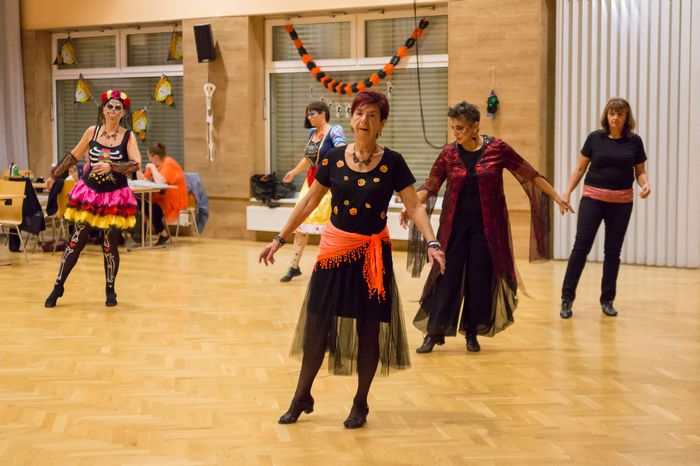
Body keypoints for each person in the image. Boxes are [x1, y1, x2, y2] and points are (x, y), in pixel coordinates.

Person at [259, 91, 445, 429]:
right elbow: (308, 202)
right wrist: (279, 238)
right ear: (351, 117)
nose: (364, 120)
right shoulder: (332, 158)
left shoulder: (393, 162)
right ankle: (301, 396)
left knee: (368, 332)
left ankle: (360, 403)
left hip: (372, 259)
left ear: (382, 123)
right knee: (316, 327)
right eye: (359, 113)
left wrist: (431, 241)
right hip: (333, 254)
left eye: (372, 115)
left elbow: (414, 206)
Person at [405, 101, 571, 354]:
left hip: (487, 229)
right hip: (454, 228)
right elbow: (431, 185)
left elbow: (530, 174)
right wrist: (411, 206)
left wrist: (557, 196)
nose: (455, 133)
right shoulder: (449, 153)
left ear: (475, 127)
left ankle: (472, 332)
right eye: (453, 127)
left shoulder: (498, 149)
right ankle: (434, 332)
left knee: (479, 279)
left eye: (460, 128)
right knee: (446, 277)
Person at [44, 89, 141, 308]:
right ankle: (58, 286)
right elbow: (73, 156)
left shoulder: (128, 136)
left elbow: (136, 164)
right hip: (90, 194)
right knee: (76, 240)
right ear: (103, 110)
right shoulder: (92, 131)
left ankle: (110, 289)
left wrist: (111, 166)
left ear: (123, 113)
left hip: (115, 197)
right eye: (110, 107)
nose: (113, 111)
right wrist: (55, 176)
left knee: (109, 244)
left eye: (118, 108)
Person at [560, 97, 650, 319]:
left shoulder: (635, 142)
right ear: (606, 115)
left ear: (626, 117)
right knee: (581, 247)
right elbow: (580, 169)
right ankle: (567, 298)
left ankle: (607, 299)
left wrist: (645, 184)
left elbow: (640, 172)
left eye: (620, 114)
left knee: (612, 251)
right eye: (612, 113)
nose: (615, 118)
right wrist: (566, 193)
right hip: (593, 200)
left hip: (621, 203)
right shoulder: (595, 138)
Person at [279, 101, 346, 282]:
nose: (309, 118)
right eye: (307, 115)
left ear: (323, 113)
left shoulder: (335, 131)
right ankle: (293, 265)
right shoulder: (312, 133)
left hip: (328, 185)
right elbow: (308, 159)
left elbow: (342, 151)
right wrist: (293, 172)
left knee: (328, 228)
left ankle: (328, 267)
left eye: (312, 114)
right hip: (310, 182)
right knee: (301, 223)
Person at [141, 142, 187, 246]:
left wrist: (152, 168)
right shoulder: (154, 165)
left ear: (155, 157)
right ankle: (143, 236)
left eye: (149, 157)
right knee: (140, 203)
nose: (149, 159)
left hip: (173, 200)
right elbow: (144, 179)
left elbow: (160, 182)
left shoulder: (169, 164)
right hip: (159, 198)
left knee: (151, 208)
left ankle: (163, 234)